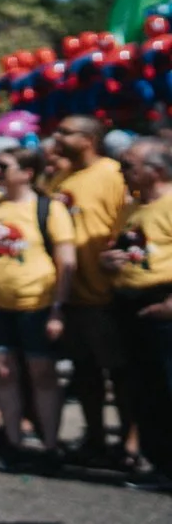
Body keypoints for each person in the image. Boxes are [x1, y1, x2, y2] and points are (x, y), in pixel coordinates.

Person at [0, 146, 76, 472]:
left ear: (27, 172)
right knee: (3, 372)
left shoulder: (48, 209)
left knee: (42, 373)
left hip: (35, 306)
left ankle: (51, 446)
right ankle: (13, 444)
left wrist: (57, 309)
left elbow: (66, 260)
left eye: (3, 166)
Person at [49, 116, 132, 467]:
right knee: (84, 372)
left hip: (106, 294)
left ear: (88, 139)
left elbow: (128, 227)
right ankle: (94, 438)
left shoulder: (113, 174)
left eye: (65, 132)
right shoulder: (60, 178)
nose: (57, 136)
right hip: (71, 295)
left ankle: (131, 443)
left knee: (122, 374)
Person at [104, 138, 172, 489]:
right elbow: (122, 249)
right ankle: (161, 465)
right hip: (131, 304)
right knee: (145, 390)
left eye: (128, 166)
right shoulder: (131, 208)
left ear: (156, 171)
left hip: (164, 304)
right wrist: (110, 260)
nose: (121, 172)